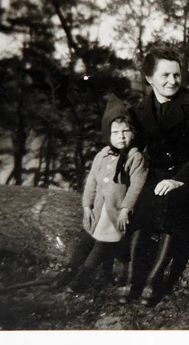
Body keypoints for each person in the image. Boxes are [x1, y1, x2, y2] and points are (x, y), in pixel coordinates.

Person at [117, 46, 189, 306]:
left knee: (170, 201)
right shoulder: (140, 111)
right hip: (159, 176)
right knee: (142, 209)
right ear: (149, 78)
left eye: (176, 75)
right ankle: (132, 279)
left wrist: (179, 179)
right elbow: (133, 147)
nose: (172, 81)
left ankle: (154, 279)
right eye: (165, 75)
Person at [67, 94, 148, 293]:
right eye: (115, 132)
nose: (121, 136)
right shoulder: (102, 155)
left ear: (133, 133)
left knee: (103, 243)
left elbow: (137, 186)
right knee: (88, 239)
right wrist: (86, 206)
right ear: (107, 135)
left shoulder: (135, 157)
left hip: (118, 212)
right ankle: (70, 272)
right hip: (100, 209)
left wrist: (125, 210)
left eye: (125, 131)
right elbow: (92, 182)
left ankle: (83, 279)